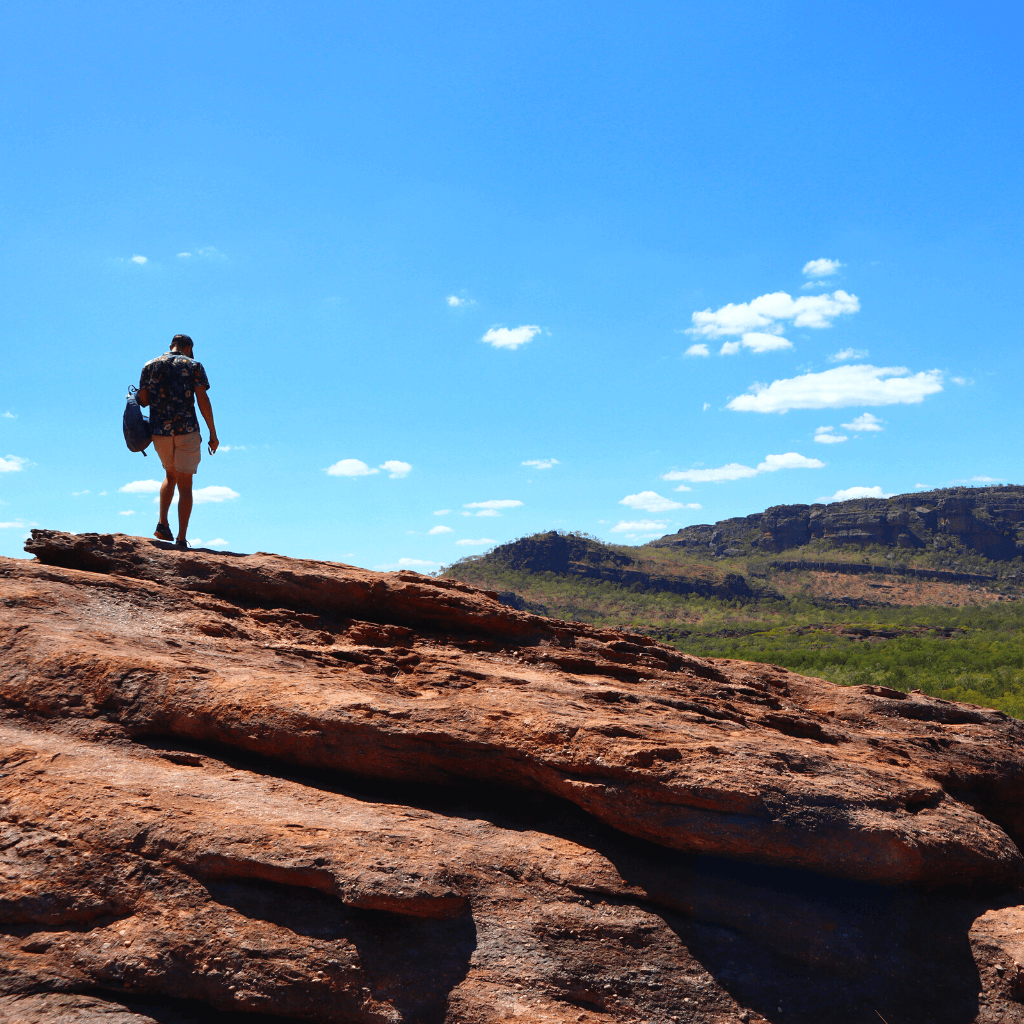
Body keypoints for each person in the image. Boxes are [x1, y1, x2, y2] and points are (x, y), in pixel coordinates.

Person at [137, 334, 220, 548]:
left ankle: (162, 523)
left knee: (169, 475)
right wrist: (212, 432)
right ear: (189, 348)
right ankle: (182, 539)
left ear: (170, 346)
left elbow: (144, 401)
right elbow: (202, 398)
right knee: (186, 483)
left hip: (160, 431)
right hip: (187, 430)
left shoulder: (149, 365)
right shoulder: (193, 365)